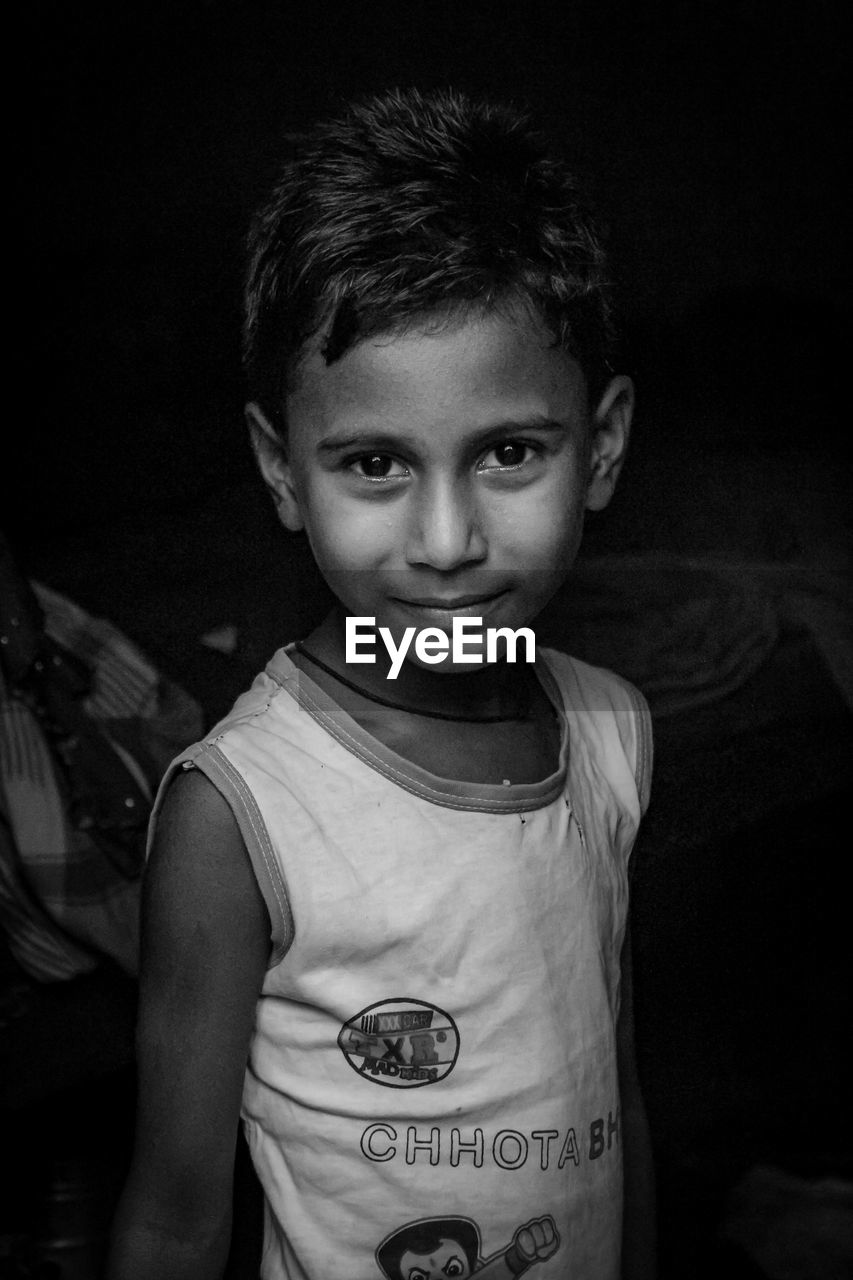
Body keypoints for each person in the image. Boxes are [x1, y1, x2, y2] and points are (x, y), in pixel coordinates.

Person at [108, 87, 656, 1279]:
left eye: (508, 451)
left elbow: (610, 1094)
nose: (448, 539)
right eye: (374, 463)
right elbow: (173, 1214)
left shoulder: (613, 732)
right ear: (282, 470)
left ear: (602, 445)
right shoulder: (241, 813)